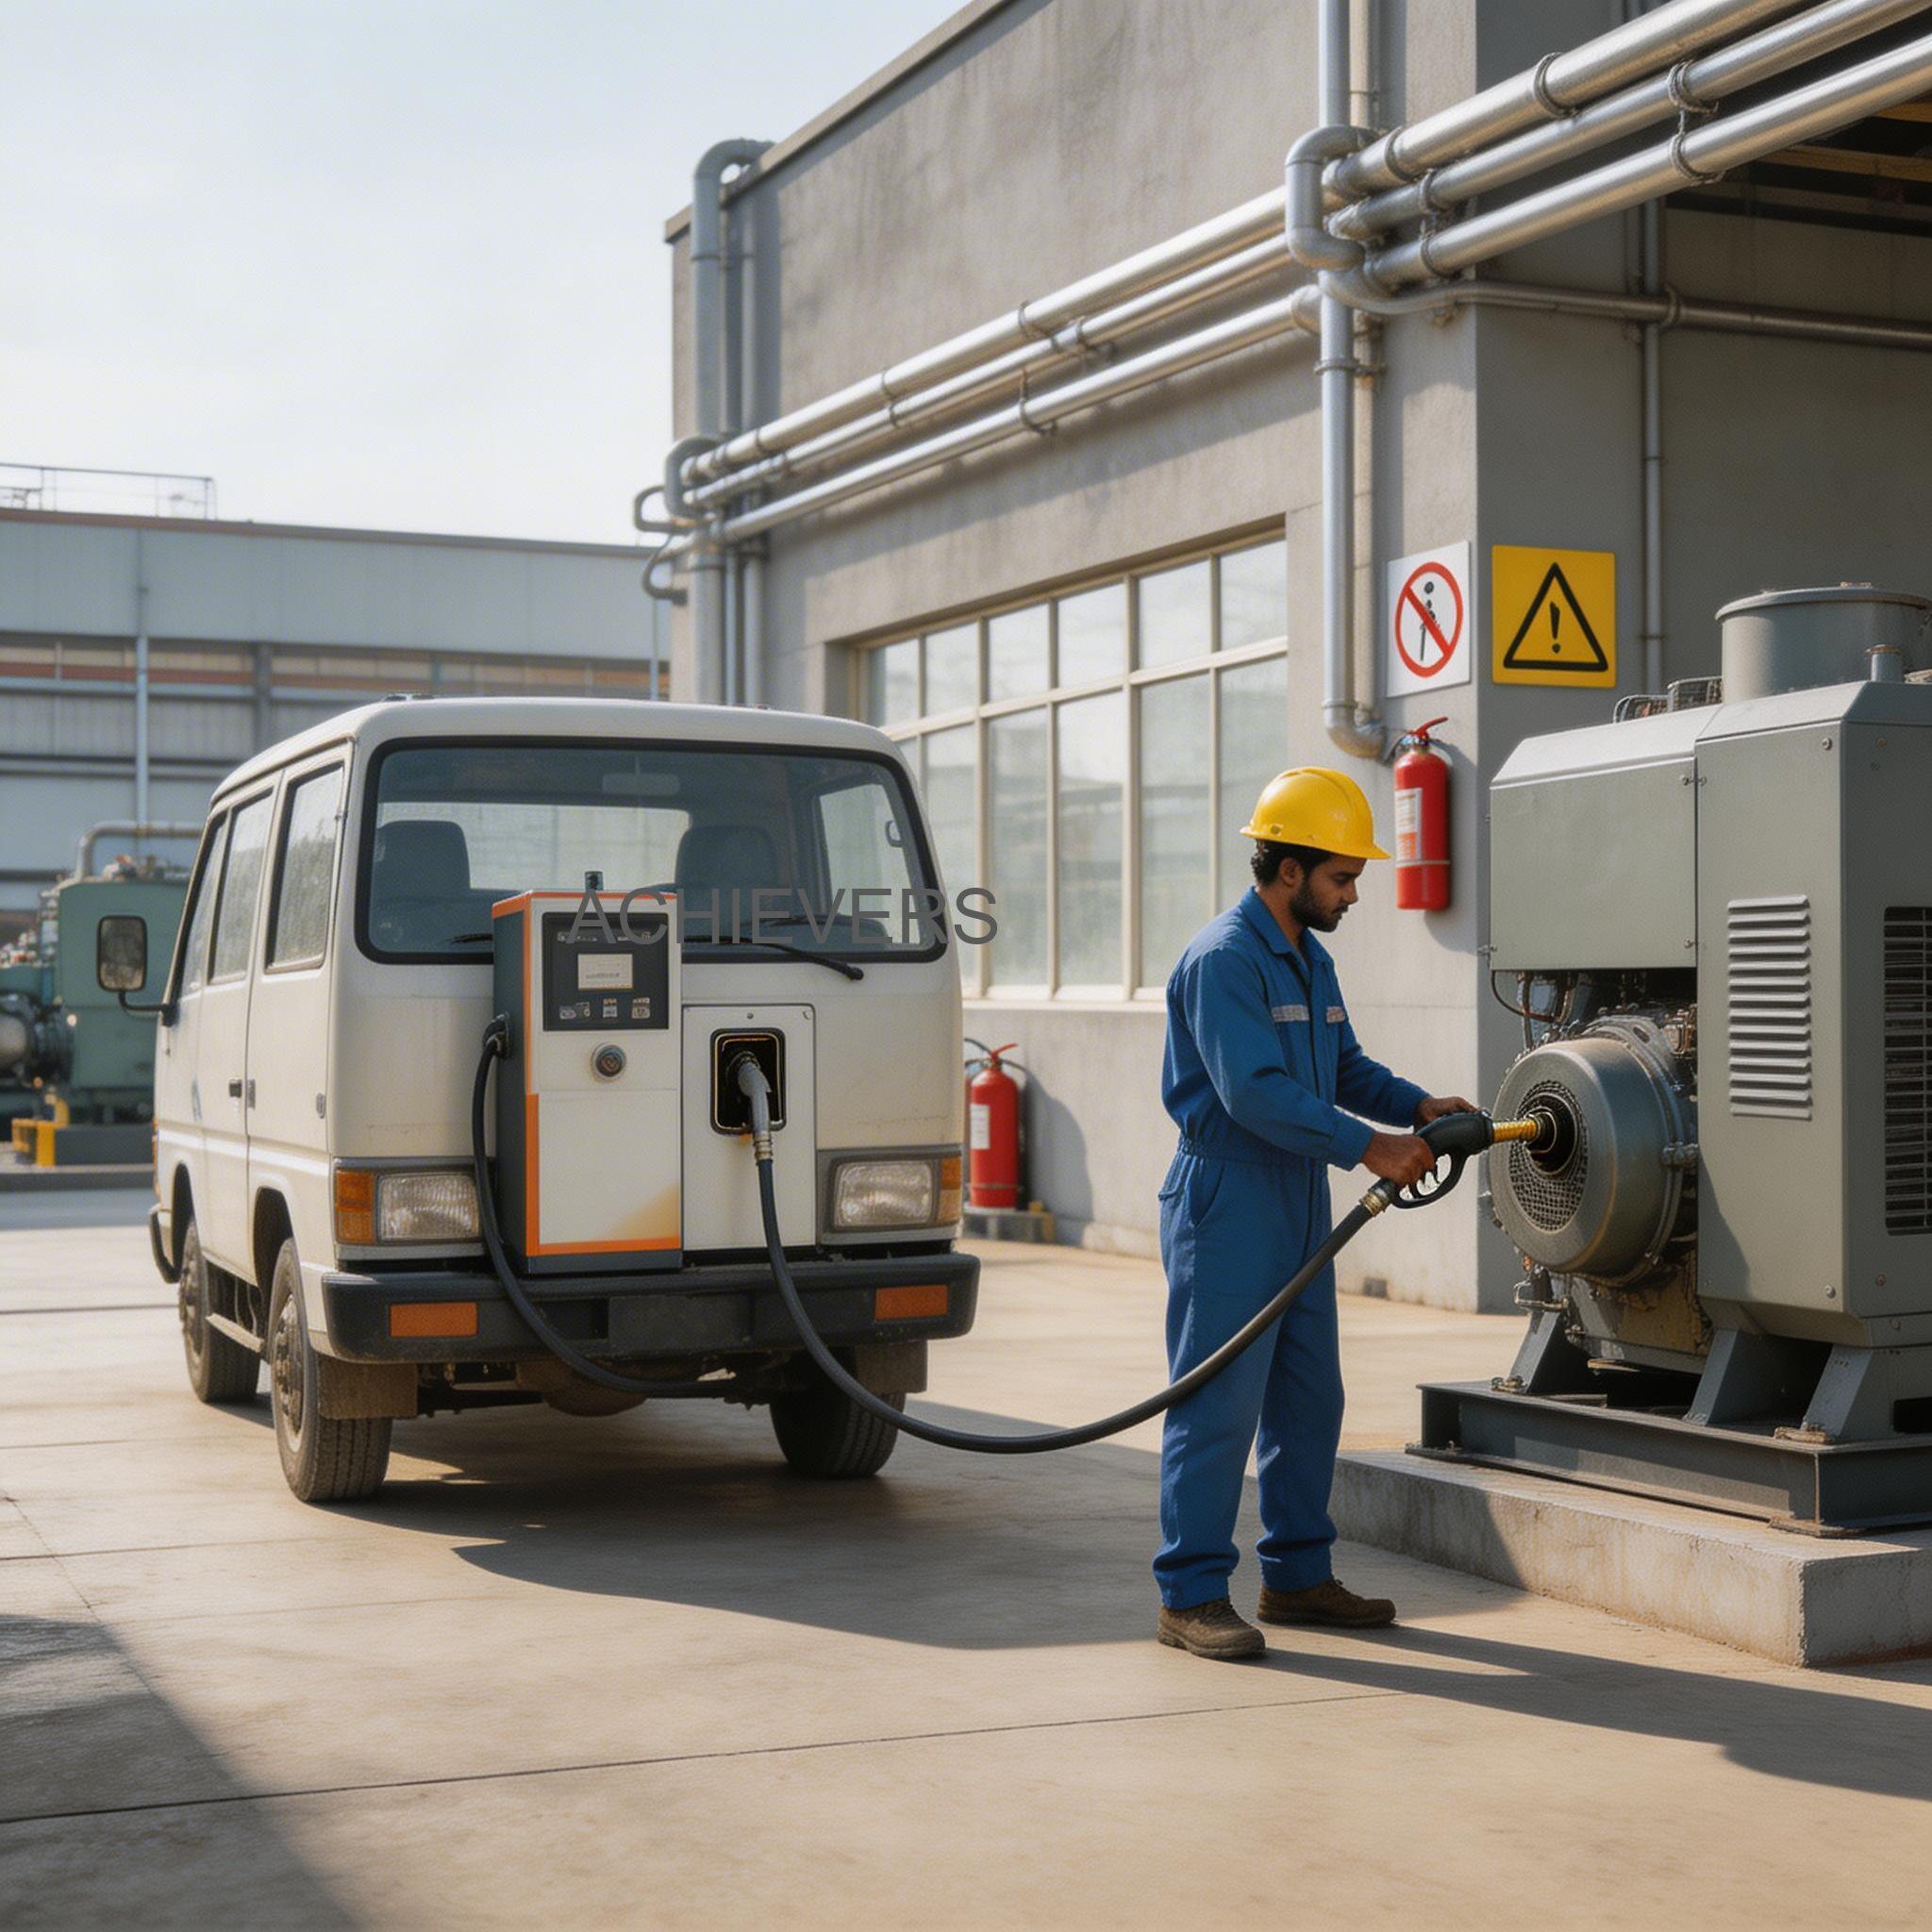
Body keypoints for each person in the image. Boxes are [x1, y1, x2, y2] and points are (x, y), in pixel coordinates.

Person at [1154, 766, 1474, 1661]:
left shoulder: (1307, 953)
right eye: (1342, 877)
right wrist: (1370, 1147)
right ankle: (1189, 1595)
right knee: (1218, 1404)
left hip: (1295, 1189)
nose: (1353, 894)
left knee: (1307, 1397)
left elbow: (1341, 1067)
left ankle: (1296, 1577)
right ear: (1288, 869)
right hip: (1229, 1195)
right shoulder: (1223, 959)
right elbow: (1254, 1092)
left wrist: (1415, 1107)